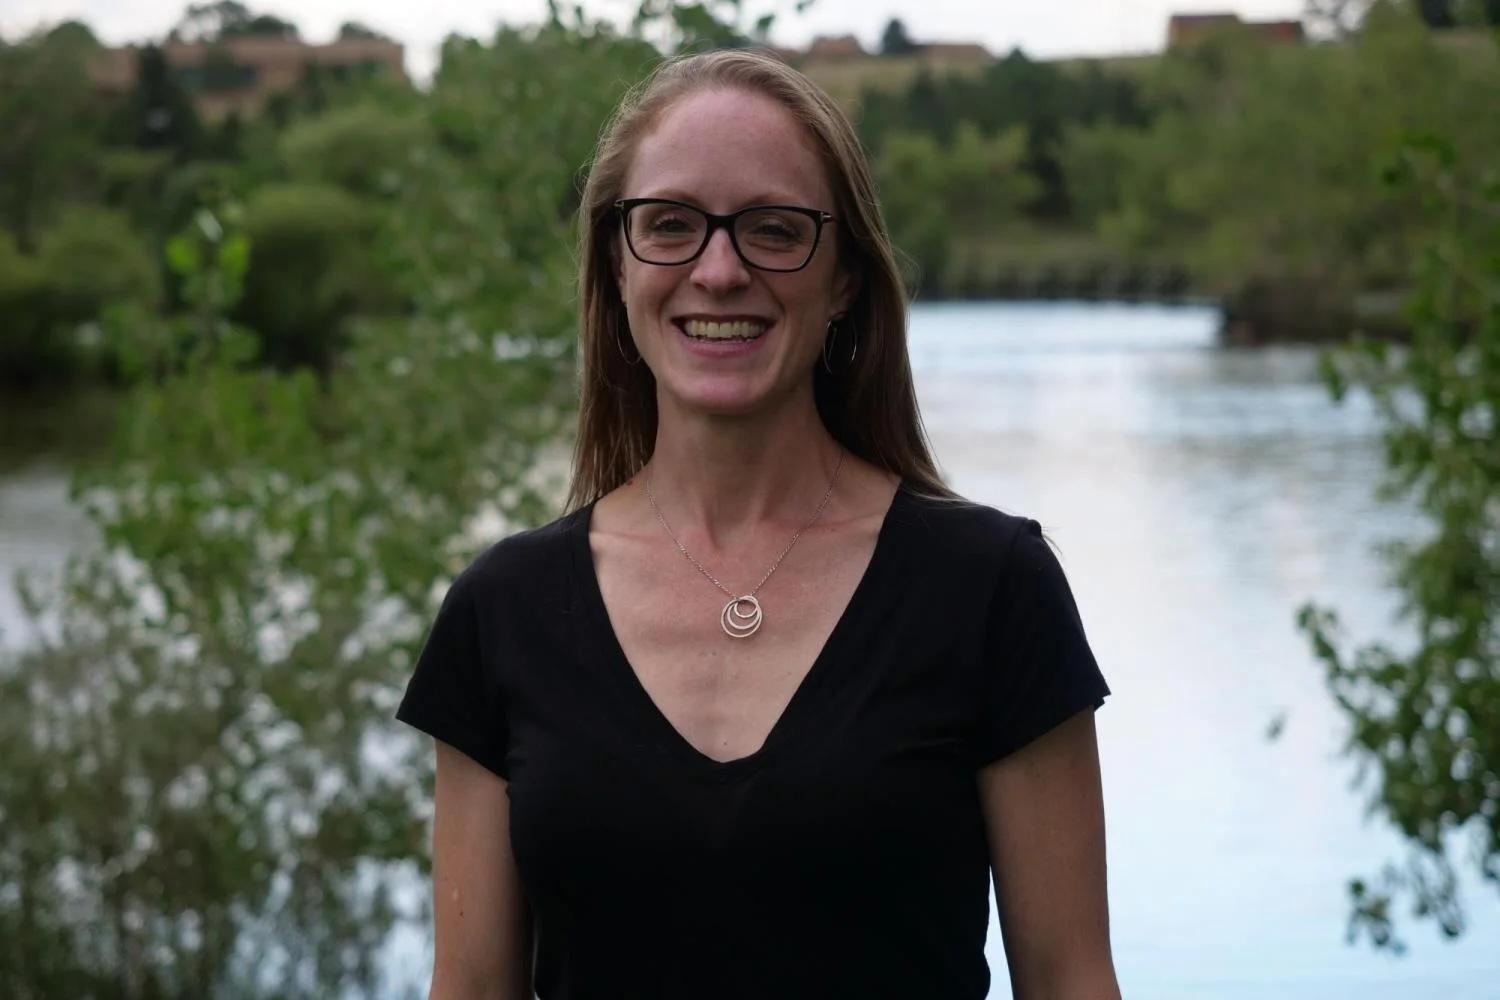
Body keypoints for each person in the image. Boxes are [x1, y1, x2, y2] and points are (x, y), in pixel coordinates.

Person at [396, 48, 1118, 1000]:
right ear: (617, 266)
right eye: (670, 226)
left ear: (846, 279)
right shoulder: (504, 613)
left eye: (775, 230)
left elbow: (1071, 980)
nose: (720, 270)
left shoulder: (990, 587)